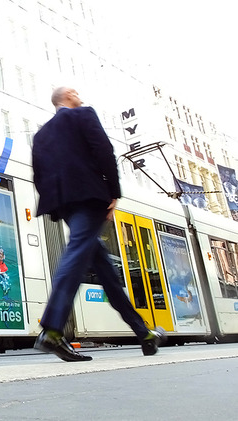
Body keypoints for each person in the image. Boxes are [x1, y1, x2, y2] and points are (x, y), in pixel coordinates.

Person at [31, 86, 166, 362]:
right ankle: (52, 329)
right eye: (75, 92)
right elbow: (104, 150)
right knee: (78, 250)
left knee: (106, 272)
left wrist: (56, 202)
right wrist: (113, 192)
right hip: (90, 195)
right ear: (67, 97)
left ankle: (145, 334)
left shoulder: (41, 135)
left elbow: (38, 174)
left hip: (63, 202)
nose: (79, 94)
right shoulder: (83, 115)